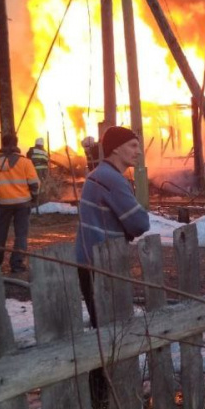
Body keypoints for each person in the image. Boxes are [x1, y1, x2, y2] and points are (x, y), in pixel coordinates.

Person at [75, 125, 150, 326]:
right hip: (102, 264)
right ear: (116, 148)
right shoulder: (112, 179)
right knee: (111, 328)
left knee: (102, 326)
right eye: (133, 145)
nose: (139, 151)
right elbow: (140, 223)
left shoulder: (98, 174)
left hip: (89, 260)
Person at [0, 132, 40, 273]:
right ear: (16, 144)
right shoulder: (25, 162)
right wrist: (33, 198)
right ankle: (17, 264)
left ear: (2, 144)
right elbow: (34, 184)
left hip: (3, 203)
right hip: (22, 204)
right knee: (21, 235)